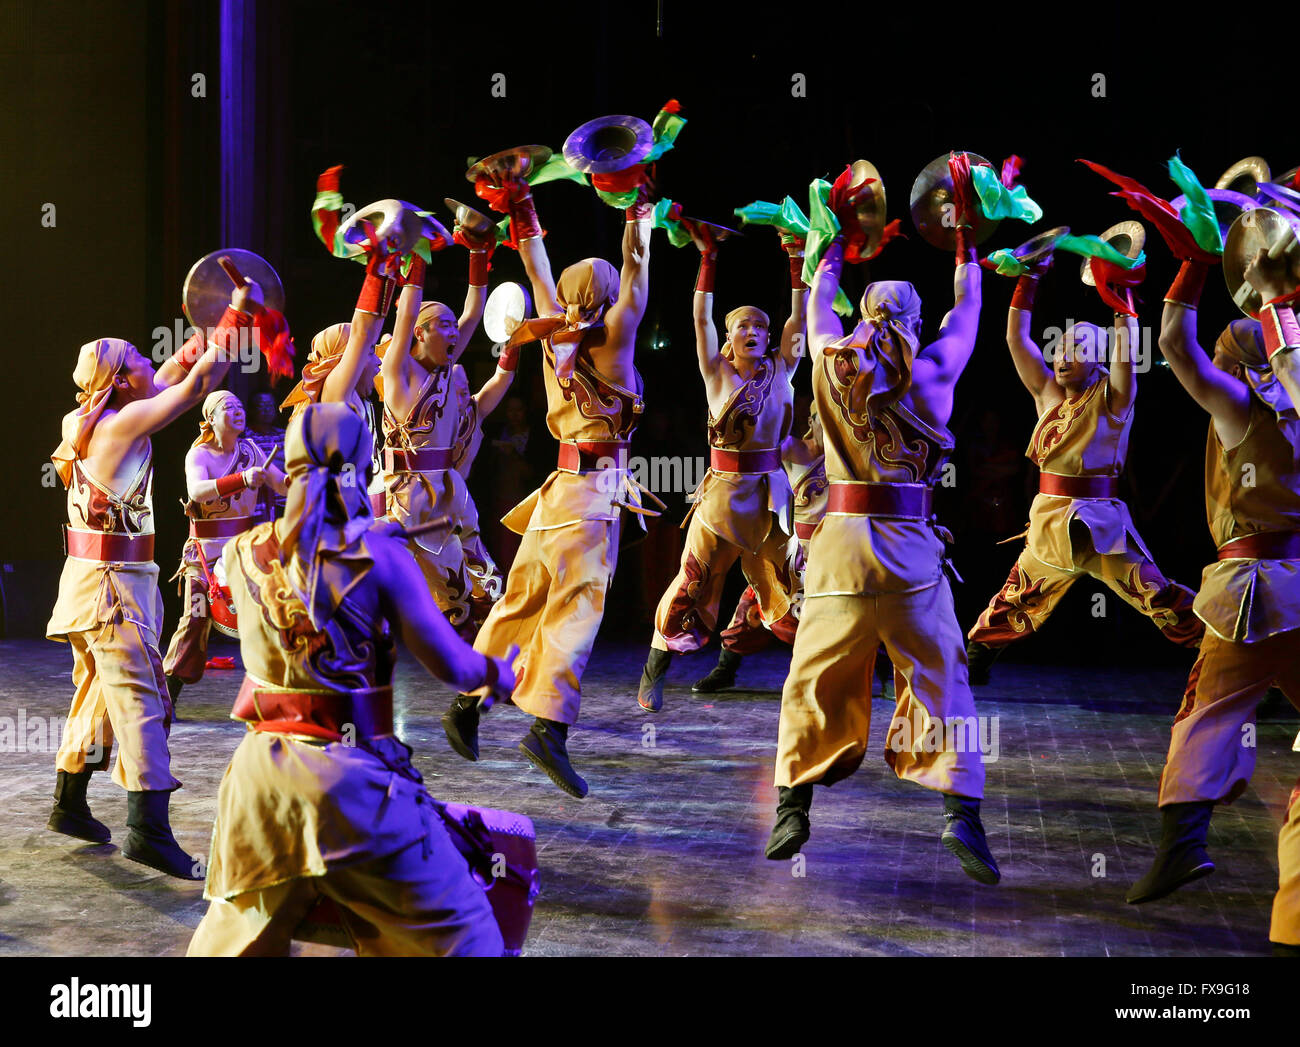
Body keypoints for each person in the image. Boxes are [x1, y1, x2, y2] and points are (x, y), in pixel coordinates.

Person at [187, 403, 514, 956]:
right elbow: (450, 665)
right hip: (347, 783)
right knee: (467, 939)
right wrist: (497, 672)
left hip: (260, 784)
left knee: (238, 947)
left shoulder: (241, 553)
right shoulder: (379, 553)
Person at [767, 155, 1000, 885]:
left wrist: (832, 242)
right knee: (941, 675)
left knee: (812, 674)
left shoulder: (832, 355)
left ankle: (792, 804)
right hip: (907, 554)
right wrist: (964, 238)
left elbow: (817, 299)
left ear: (864, 317)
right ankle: (960, 812)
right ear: (913, 320)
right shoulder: (934, 372)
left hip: (837, 550)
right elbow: (969, 308)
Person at [441, 171, 656, 798]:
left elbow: (537, 268)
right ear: (609, 295)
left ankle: (465, 704)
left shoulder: (549, 330)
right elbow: (636, 268)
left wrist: (523, 204)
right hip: (592, 500)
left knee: (520, 601)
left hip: (555, 492)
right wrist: (636, 209)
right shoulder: (614, 340)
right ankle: (548, 729)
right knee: (576, 613)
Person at [46, 279, 259, 879]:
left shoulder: (83, 419)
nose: (148, 358)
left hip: (88, 579)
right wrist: (235, 317)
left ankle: (68, 803)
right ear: (118, 382)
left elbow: (166, 376)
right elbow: (191, 388)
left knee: (95, 695)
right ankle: (148, 829)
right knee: (141, 699)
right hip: (116, 588)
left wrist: (192, 343)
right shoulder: (123, 426)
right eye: (135, 358)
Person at [1126, 238, 1300, 958]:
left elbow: (1173, 342)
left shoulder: (1239, 406)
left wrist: (1202, 264)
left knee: (1207, 709)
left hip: (1256, 595)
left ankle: (1184, 838)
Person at [964, 254, 1203, 684]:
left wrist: (1120, 299)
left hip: (1099, 527)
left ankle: (1230, 658)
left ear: (1099, 360)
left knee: (1158, 597)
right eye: (1059, 347)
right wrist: (1028, 280)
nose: (1062, 355)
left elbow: (1127, 355)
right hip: (1050, 522)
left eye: (1078, 348)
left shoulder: (1115, 399)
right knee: (1012, 600)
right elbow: (1017, 339)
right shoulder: (1048, 398)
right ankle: (974, 660)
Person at [635, 226, 806, 711]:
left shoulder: (782, 371)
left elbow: (800, 318)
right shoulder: (718, 372)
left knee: (795, 585)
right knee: (692, 581)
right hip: (723, 497)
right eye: (742, 326)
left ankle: (820, 674)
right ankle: (655, 669)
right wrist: (707, 259)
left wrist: (796, 260)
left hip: (770, 499)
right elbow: (699, 318)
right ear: (728, 338)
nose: (752, 331)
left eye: (759, 326)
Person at [373, 231, 511, 636]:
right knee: (391, 595)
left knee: (479, 591)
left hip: (444, 494)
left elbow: (473, 312)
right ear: (420, 333)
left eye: (455, 328)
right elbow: (402, 319)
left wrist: (478, 253)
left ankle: (484, 663)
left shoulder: (446, 371)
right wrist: (417, 258)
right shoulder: (398, 372)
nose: (455, 333)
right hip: (400, 498)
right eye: (444, 327)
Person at [161, 390, 286, 706]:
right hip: (204, 554)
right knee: (194, 620)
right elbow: (198, 491)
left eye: (241, 405)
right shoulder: (199, 455)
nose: (239, 411)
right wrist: (243, 478)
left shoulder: (251, 450)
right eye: (229, 407)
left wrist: (315, 478)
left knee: (271, 617)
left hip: (244, 554)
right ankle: (164, 698)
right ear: (211, 419)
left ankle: (275, 698)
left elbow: (282, 483)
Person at [693, 391, 823, 691]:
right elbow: (758, 447)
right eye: (822, 420)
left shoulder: (844, 460)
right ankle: (725, 669)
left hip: (829, 551)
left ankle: (878, 673)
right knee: (752, 604)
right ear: (812, 421)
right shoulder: (790, 448)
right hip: (788, 547)